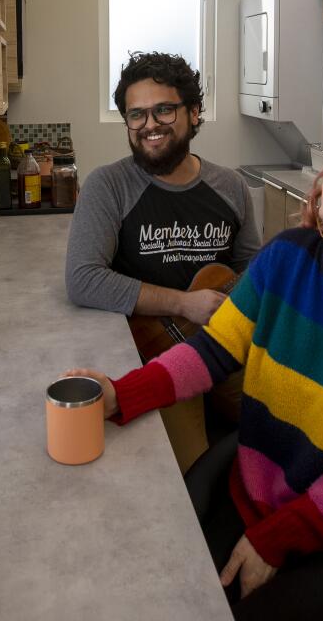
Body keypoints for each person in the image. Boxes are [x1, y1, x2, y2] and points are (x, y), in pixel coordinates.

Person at [65, 130, 323, 618]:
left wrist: (280, 538)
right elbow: (211, 352)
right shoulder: (287, 257)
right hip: (264, 508)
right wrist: (120, 394)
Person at [65, 51, 260, 471]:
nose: (149, 124)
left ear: (193, 113)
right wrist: (183, 304)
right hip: (153, 355)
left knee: (281, 436)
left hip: (225, 344)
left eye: (163, 110)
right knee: (186, 474)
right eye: (136, 115)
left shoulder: (231, 186)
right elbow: (83, 279)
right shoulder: (108, 185)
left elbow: (255, 270)